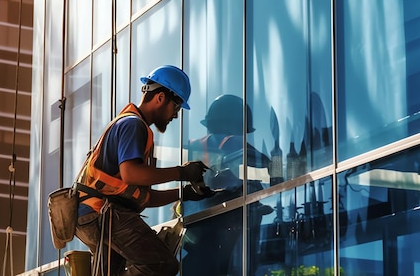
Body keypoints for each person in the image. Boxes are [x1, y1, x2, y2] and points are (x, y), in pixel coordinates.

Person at [74, 65, 214, 276]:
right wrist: (181, 173)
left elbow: (142, 197)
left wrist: (182, 194)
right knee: (161, 264)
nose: (175, 116)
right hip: (102, 213)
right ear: (160, 98)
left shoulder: (130, 125)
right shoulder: (134, 125)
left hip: (95, 214)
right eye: (175, 107)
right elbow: (132, 173)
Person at [181, 94, 272, 275]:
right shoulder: (230, 141)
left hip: (194, 230)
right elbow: (268, 166)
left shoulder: (190, 147)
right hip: (220, 227)